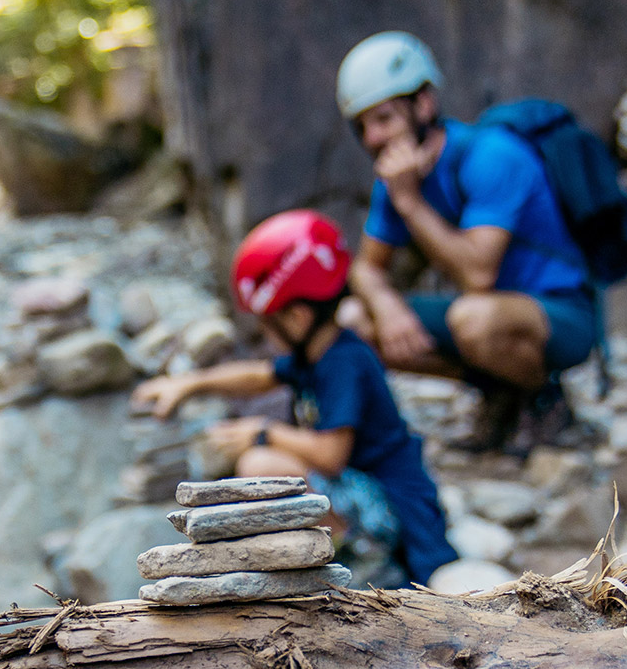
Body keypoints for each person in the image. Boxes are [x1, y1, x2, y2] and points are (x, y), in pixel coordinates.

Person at [132, 210, 458, 588]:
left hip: (393, 511)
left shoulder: (343, 363)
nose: (266, 334)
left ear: (298, 317)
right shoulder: (318, 355)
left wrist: (261, 431)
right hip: (372, 498)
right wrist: (191, 384)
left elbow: (331, 455)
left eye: (268, 321)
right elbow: (259, 374)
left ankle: (362, 561)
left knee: (261, 463)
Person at [334, 31, 599, 452]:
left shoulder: (492, 155)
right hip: (482, 315)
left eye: (384, 119)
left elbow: (477, 274)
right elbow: (366, 268)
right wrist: (387, 309)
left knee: (472, 318)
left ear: (423, 104)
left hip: (562, 312)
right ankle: (501, 393)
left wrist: (409, 202)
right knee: (353, 320)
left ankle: (542, 396)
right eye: (362, 126)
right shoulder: (399, 178)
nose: (373, 139)